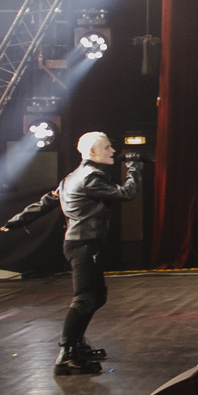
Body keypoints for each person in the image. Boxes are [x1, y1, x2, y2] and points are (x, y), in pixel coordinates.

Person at [56, 132, 142, 373]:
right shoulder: (90, 177)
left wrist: (17, 221)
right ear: (93, 153)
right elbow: (127, 193)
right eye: (107, 148)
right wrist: (134, 168)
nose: (112, 151)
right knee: (85, 297)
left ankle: (77, 345)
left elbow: (48, 200)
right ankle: (66, 354)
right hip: (82, 244)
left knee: (97, 295)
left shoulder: (74, 176)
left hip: (83, 243)